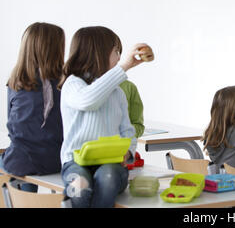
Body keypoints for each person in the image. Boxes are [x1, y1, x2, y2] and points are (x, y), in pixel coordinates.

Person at [59, 26, 153, 208]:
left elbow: (128, 131)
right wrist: (125, 66)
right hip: (75, 161)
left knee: (107, 177)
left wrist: (129, 151)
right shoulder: (73, 84)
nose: (119, 58)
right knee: (79, 186)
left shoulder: (117, 93)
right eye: (116, 52)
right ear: (97, 53)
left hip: (111, 165)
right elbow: (88, 101)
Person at [0, 22, 65, 192]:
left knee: (18, 158)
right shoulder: (66, 82)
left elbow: (13, 125)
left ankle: (20, 200)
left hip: (21, 162)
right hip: (57, 160)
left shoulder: (16, 81)